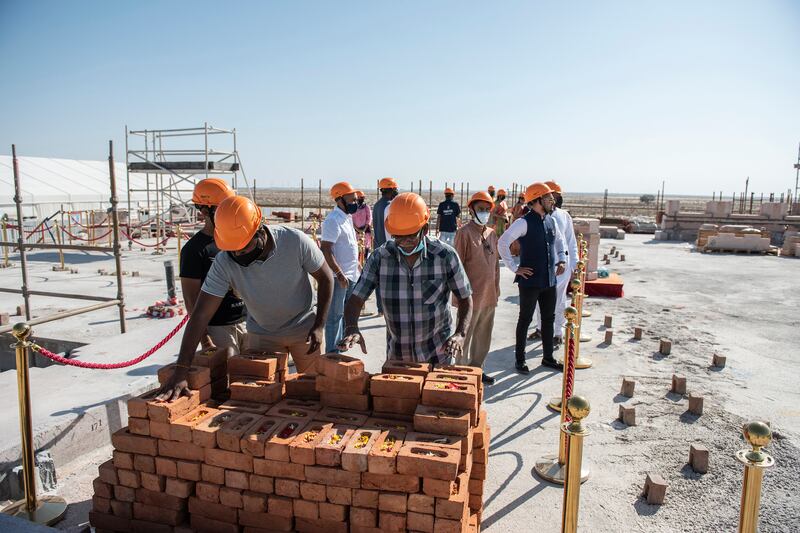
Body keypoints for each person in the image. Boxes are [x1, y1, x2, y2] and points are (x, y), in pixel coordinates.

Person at [156, 196, 334, 401]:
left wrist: (319, 325)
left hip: (304, 330)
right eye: (233, 250)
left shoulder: (295, 241)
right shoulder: (224, 261)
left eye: (244, 248)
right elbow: (200, 315)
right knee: (261, 397)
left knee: (311, 392)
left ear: (259, 231)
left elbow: (326, 278)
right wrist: (181, 370)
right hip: (262, 334)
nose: (238, 255)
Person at [338, 192, 473, 364]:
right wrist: (351, 327)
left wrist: (460, 334)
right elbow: (356, 299)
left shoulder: (445, 256)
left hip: (439, 356)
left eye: (410, 236)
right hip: (398, 358)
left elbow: (465, 297)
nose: (404, 242)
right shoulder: (380, 258)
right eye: (398, 236)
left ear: (424, 230)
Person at [498, 183, 567, 374]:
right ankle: (520, 360)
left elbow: (559, 241)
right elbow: (502, 243)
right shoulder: (523, 222)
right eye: (547, 197)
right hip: (530, 282)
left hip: (549, 280)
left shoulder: (550, 221)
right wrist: (514, 267)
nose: (552, 201)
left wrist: (561, 259)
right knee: (525, 320)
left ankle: (548, 357)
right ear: (536, 200)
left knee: (548, 318)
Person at [179, 178, 247, 352]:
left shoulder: (234, 240)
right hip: (218, 329)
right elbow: (190, 299)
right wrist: (204, 339)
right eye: (221, 209)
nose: (227, 213)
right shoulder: (194, 250)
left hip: (246, 322)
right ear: (204, 211)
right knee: (227, 377)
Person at [454, 191, 499, 385]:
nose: (485, 212)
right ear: (472, 210)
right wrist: (459, 298)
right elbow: (457, 267)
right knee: (466, 336)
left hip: (489, 296)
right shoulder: (464, 233)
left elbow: (495, 266)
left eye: (487, 209)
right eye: (481, 209)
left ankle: (476, 369)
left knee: (483, 337)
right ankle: (461, 373)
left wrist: (496, 290)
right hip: (471, 298)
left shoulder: (491, 234)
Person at [530, 180, 578, 347]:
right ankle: (540, 329)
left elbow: (571, 242)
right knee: (539, 300)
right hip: (542, 266)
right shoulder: (538, 216)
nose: (554, 198)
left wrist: (575, 264)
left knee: (559, 300)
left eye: (556, 196)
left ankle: (557, 332)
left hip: (562, 267)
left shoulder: (564, 216)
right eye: (551, 195)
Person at [321, 182, 361, 353]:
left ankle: (341, 344)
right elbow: (326, 249)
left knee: (346, 314)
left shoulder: (347, 218)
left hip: (352, 274)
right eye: (351, 200)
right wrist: (339, 273)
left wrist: (357, 264)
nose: (355, 203)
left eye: (356, 200)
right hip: (339, 277)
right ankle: (332, 352)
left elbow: (349, 245)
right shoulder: (332, 220)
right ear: (339, 200)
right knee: (334, 316)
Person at [371, 177, 399, 316]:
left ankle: (380, 308)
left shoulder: (376, 205)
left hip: (377, 246)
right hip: (388, 248)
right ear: (391, 189)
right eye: (395, 189)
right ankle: (387, 309)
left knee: (379, 279)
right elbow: (390, 231)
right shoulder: (389, 206)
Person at [351, 190, 372, 261]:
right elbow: (350, 219)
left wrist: (364, 229)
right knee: (356, 248)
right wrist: (357, 229)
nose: (361, 199)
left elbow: (369, 218)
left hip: (365, 231)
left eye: (362, 198)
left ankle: (365, 261)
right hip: (355, 231)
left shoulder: (366, 207)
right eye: (359, 198)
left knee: (366, 247)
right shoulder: (353, 208)